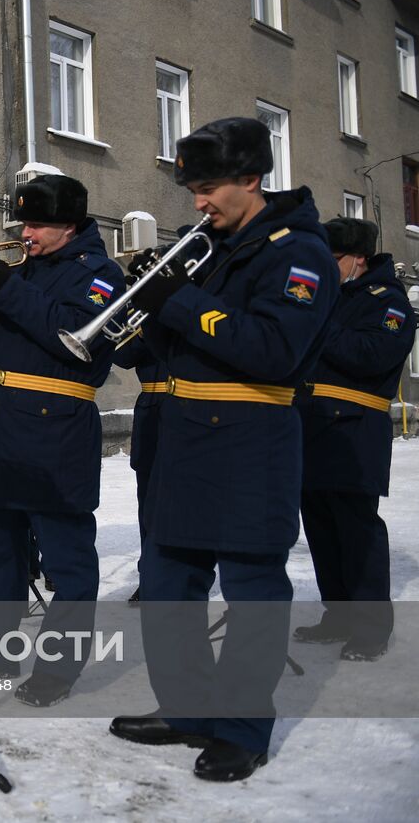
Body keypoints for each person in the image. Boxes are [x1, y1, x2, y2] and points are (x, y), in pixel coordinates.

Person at [110, 116, 338, 782]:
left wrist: (176, 302)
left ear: (251, 178)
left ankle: (241, 727)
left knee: (252, 590)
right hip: (182, 439)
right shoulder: (206, 246)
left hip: (250, 442)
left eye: (209, 187)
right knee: (168, 583)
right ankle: (187, 706)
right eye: (193, 188)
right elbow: (182, 337)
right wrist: (140, 320)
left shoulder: (299, 253)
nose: (198, 201)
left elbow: (271, 349)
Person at [0, 173, 125, 708]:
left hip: (55, 424)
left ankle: (58, 668)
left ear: (69, 226)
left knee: (67, 558)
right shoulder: (25, 267)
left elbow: (67, 335)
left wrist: (2, 282)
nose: (26, 233)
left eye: (37, 224)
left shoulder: (99, 275)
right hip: (0, 419)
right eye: (23, 223)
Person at [294, 218, 416, 661]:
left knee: (357, 531)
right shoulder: (333, 296)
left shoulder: (390, 303)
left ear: (359, 259)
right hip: (311, 426)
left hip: (355, 429)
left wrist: (316, 322)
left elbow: (371, 355)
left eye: (334, 260)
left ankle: (370, 628)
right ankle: (339, 615)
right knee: (322, 528)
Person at [112, 334, 168, 605]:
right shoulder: (143, 310)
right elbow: (122, 357)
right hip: (151, 409)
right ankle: (149, 577)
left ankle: (183, 578)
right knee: (147, 507)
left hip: (193, 406)